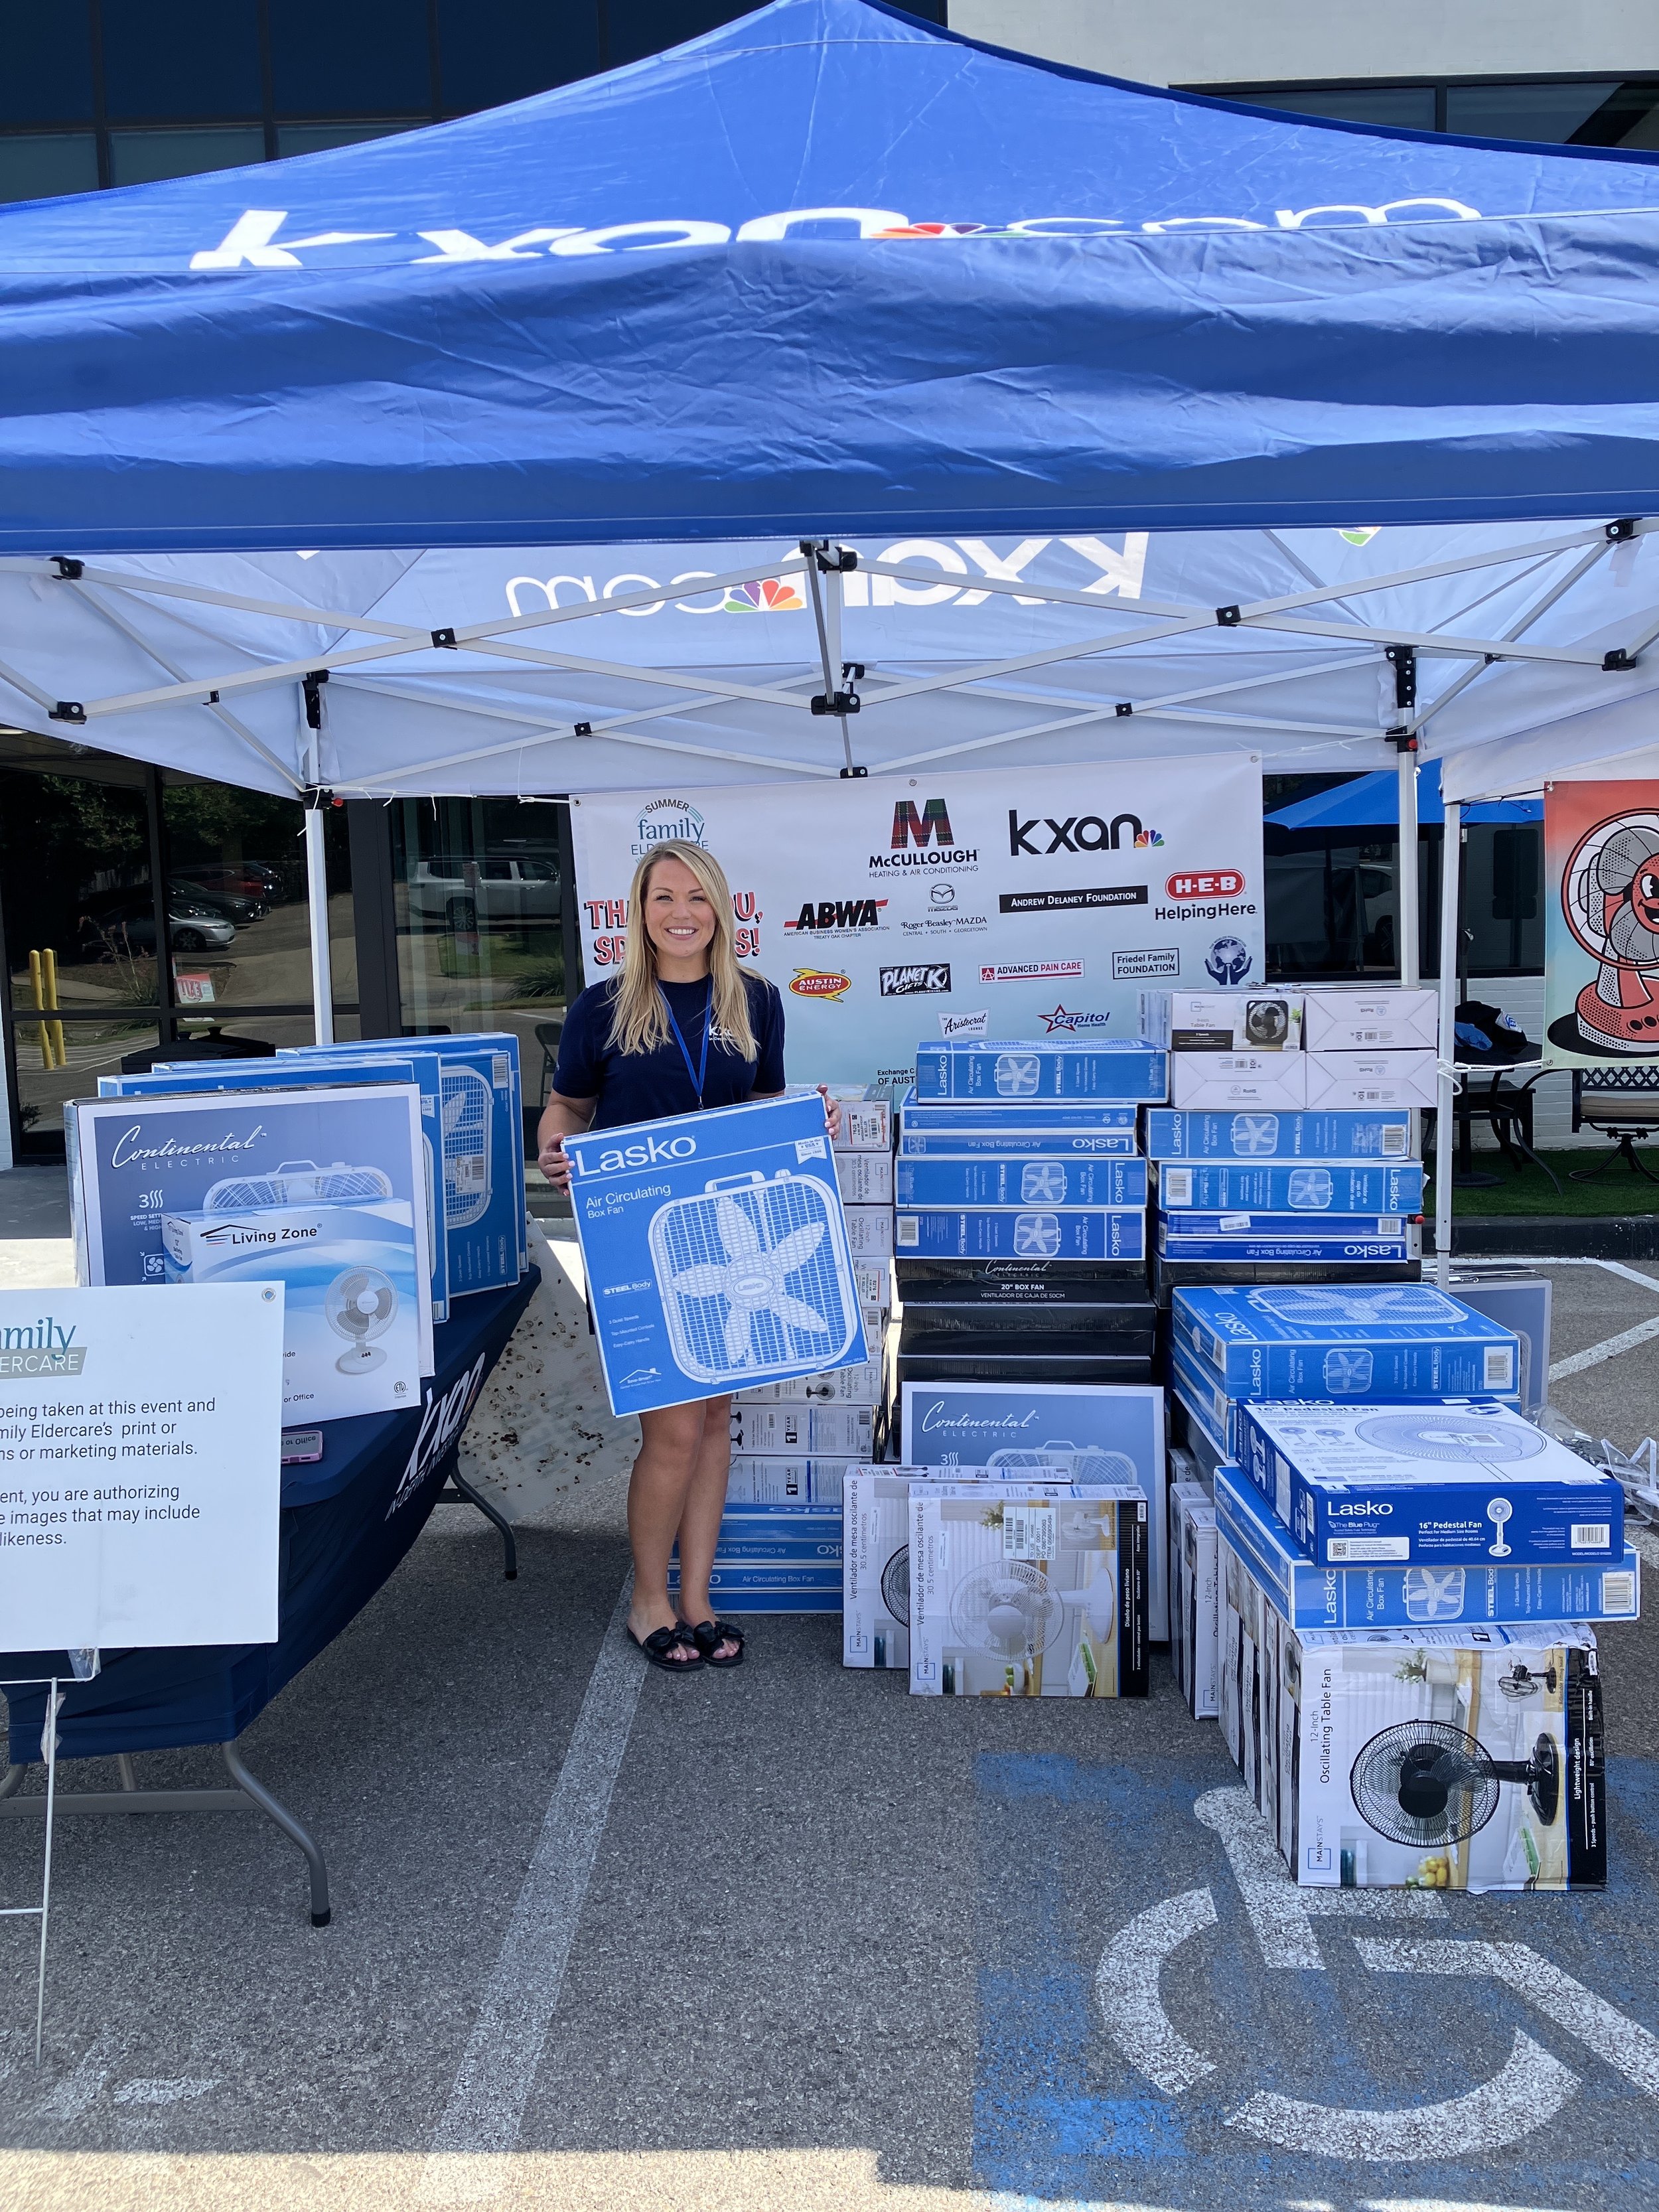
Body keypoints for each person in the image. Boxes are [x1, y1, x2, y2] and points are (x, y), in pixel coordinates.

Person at [539, 838, 841, 1674]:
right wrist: (555, 1147)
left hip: (733, 1237)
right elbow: (566, 1105)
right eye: (663, 897)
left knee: (714, 1424)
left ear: (722, 909)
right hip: (634, 1241)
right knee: (672, 1432)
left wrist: (811, 1120)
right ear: (638, 913)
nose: (681, 913)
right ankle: (648, 1598)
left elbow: (765, 1106)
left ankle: (697, 1598)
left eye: (697, 897)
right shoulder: (601, 1008)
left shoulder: (757, 1001)